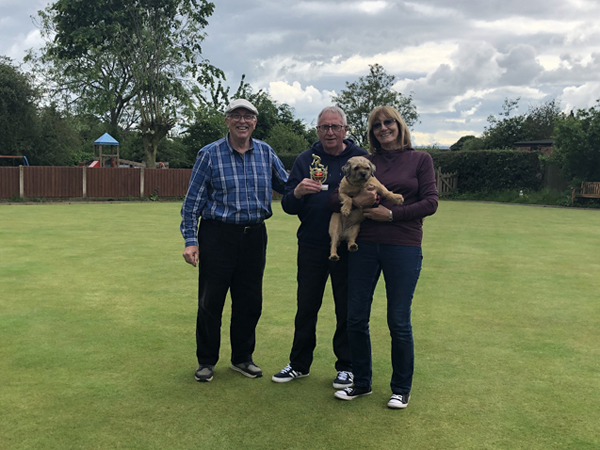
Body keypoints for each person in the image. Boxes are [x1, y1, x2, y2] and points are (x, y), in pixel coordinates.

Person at [330, 106, 438, 409]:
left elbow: (431, 202)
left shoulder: (420, 159)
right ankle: (361, 383)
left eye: (389, 122)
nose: (383, 128)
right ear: (371, 132)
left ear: (399, 125)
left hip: (403, 246)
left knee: (398, 320)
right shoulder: (367, 162)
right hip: (363, 246)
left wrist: (391, 214)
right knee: (355, 318)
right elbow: (334, 197)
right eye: (377, 125)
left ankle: (400, 388)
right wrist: (356, 201)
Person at [180, 98, 288, 383]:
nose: (243, 121)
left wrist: (316, 186)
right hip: (217, 235)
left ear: (255, 122)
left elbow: (287, 186)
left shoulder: (265, 152)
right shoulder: (209, 154)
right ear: (227, 120)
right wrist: (191, 240)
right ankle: (206, 361)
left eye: (248, 116)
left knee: (249, 301)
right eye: (236, 116)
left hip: (254, 235)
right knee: (210, 301)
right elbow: (192, 202)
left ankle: (242, 358)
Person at [272, 106, 370, 389]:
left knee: (346, 308)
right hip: (312, 244)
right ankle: (299, 365)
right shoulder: (305, 160)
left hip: (349, 244)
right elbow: (288, 205)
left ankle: (347, 367)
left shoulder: (360, 159)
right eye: (324, 127)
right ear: (317, 130)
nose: (330, 132)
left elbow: (374, 195)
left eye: (335, 127)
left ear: (345, 130)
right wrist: (298, 192)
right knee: (306, 306)